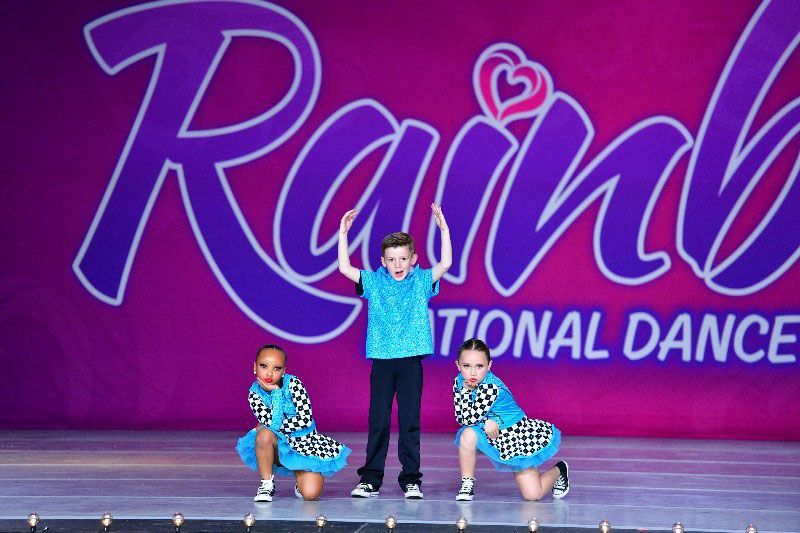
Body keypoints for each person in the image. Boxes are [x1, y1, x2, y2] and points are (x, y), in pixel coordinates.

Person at [337, 203, 452, 499]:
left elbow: (446, 263)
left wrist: (443, 230)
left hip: (411, 362)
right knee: (378, 421)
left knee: (410, 421)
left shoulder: (422, 281)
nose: (398, 264)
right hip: (383, 362)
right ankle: (371, 479)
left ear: (413, 259)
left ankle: (411, 479)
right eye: (391, 259)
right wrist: (343, 233)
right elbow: (344, 268)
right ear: (383, 261)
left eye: (403, 258)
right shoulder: (374, 282)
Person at [453, 338, 569, 501]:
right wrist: (484, 421)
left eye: (479, 366)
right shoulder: (459, 381)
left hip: (514, 433)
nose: (473, 372)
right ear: (458, 365)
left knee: (532, 495)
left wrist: (484, 420)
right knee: (467, 434)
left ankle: (559, 470)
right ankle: (467, 484)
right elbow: (462, 417)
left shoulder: (490, 387)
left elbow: (469, 416)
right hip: (487, 429)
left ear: (489, 366)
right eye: (467, 366)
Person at [236, 344, 351, 502]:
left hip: (304, 443)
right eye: (263, 366)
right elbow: (272, 426)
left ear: (284, 371)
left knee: (311, 495)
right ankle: (267, 484)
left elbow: (304, 420)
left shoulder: (294, 384)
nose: (269, 373)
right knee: (263, 435)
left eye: (277, 368)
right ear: (254, 367)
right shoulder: (254, 394)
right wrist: (275, 396)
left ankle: (299, 475)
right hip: (277, 442)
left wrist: (272, 416)